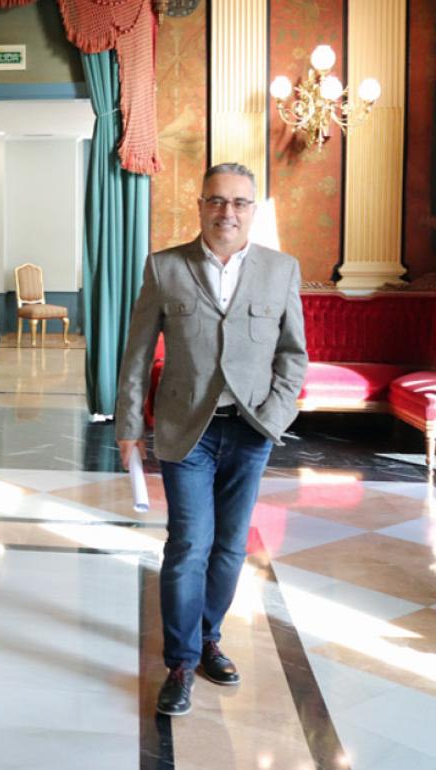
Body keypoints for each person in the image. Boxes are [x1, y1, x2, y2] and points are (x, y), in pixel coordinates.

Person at [115, 163, 307, 716]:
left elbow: (293, 355)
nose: (228, 212)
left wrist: (274, 415)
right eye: (217, 201)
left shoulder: (280, 269)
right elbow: (135, 356)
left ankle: (209, 640)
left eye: (240, 203)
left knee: (228, 546)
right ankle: (180, 661)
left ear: (253, 209)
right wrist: (130, 426)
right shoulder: (164, 267)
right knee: (188, 544)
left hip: (251, 430)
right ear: (199, 206)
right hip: (185, 428)